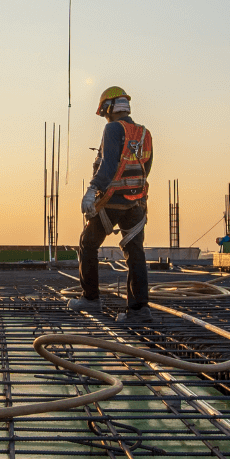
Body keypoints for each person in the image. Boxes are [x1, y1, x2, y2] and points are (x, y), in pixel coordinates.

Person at [68, 87, 155, 322]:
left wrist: (91, 191)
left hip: (112, 199)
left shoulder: (113, 128)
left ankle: (90, 299)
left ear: (108, 108)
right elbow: (146, 168)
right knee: (135, 252)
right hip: (136, 202)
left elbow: (107, 166)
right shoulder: (144, 133)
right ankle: (139, 310)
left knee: (88, 243)